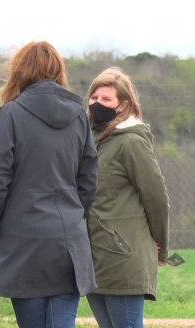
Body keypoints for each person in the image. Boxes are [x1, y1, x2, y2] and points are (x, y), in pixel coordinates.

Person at [0, 41, 98, 327]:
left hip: (24, 239)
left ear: (21, 71)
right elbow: (89, 179)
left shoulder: (12, 113)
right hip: (69, 240)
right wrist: (73, 216)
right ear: (59, 70)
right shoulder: (79, 115)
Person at [85, 67, 170, 328]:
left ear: (123, 105)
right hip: (94, 257)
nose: (97, 103)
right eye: (94, 97)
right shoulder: (93, 139)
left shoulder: (131, 142)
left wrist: (160, 243)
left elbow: (156, 197)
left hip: (122, 258)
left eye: (106, 99)